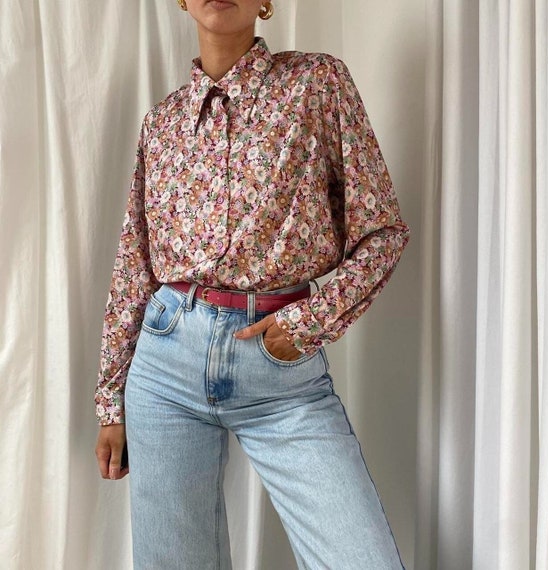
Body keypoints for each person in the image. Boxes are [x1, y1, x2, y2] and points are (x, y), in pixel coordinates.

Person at [94, 0, 410, 568]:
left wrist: (306, 324)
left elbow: (382, 232)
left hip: (281, 375)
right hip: (164, 370)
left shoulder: (316, 84)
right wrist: (110, 402)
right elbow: (134, 266)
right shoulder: (162, 123)